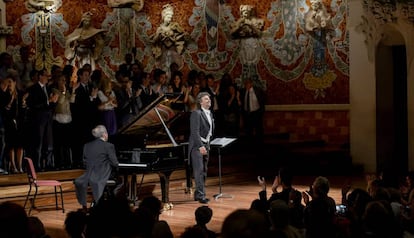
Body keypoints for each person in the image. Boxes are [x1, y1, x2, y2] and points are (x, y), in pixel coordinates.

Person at [73, 125, 119, 211]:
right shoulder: (109, 146)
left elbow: (84, 162)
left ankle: (85, 207)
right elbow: (115, 163)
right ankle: (112, 204)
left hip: (88, 175)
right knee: (120, 182)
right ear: (105, 134)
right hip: (102, 176)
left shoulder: (86, 146)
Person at [188, 92, 214, 203]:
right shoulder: (196, 113)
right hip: (197, 146)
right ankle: (201, 195)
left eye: (209, 99)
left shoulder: (210, 114)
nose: (209, 100)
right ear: (200, 101)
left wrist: (207, 144)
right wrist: (200, 146)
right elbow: (195, 131)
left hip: (206, 145)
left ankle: (198, 194)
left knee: (204, 171)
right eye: (206, 99)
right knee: (199, 171)